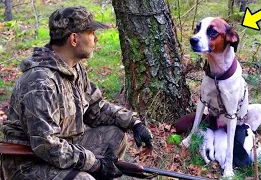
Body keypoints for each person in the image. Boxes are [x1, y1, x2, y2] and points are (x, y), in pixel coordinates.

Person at [1, 6, 153, 180]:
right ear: (74, 38)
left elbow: (97, 108)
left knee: (115, 135)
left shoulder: (74, 69)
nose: (96, 38)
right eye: (91, 32)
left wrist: (134, 123)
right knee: (83, 179)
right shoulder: (40, 82)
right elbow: (46, 145)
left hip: (63, 149)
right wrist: (94, 164)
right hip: (28, 165)